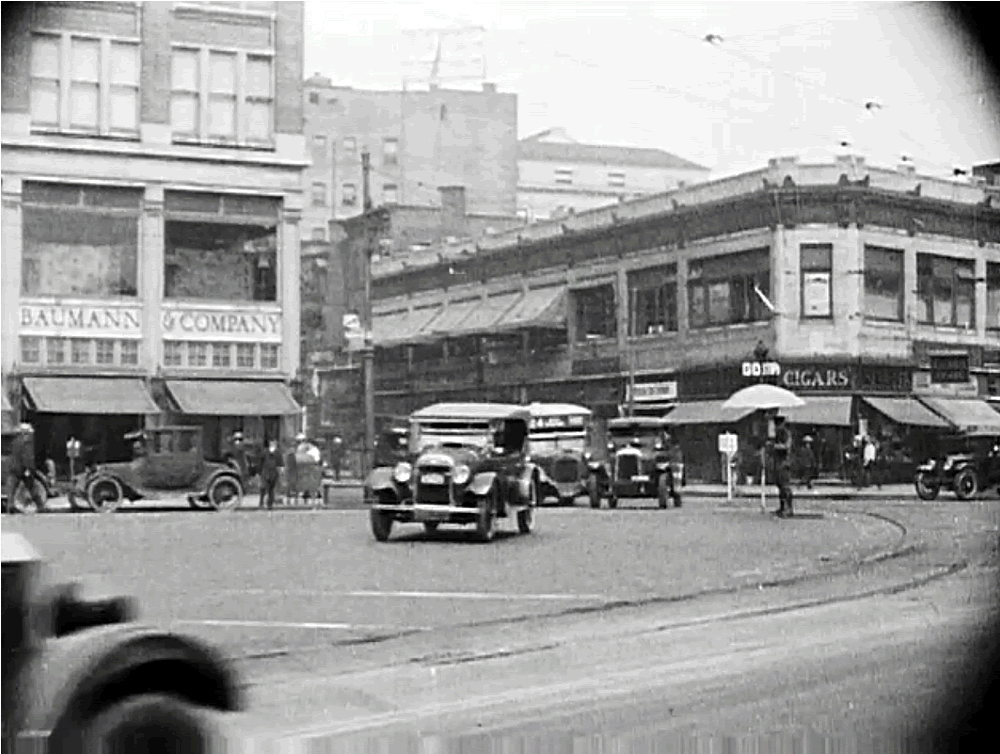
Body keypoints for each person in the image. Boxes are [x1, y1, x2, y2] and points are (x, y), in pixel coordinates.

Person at [9, 423, 45, 510]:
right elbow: (27, 457)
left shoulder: (15, 441)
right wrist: (29, 468)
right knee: (31, 486)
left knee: (12, 488)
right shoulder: (27, 442)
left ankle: (10, 506)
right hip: (24, 469)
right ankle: (40, 506)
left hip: (14, 467)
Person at [771, 415, 793, 517]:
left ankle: (788, 508)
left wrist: (775, 446)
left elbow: (786, 446)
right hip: (778, 463)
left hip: (784, 463)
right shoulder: (778, 434)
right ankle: (782, 506)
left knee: (785, 487)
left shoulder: (786, 433)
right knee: (780, 486)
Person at [259, 439, 282, 510]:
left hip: (273, 472)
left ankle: (269, 504)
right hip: (266, 471)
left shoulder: (277, 453)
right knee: (265, 488)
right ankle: (262, 502)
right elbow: (261, 462)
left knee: (271, 489)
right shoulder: (266, 452)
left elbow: (280, 463)